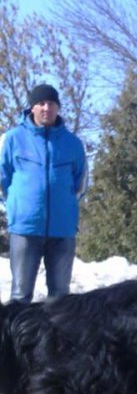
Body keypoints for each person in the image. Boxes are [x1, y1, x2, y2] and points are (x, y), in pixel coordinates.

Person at [0, 83, 88, 303]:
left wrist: (66, 207)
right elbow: (3, 177)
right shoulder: (13, 139)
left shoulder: (73, 144)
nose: (46, 108)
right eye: (41, 103)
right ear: (32, 108)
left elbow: (81, 182)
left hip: (62, 230)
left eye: (51, 103)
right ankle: (15, 339)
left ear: (58, 108)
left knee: (60, 297)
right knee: (20, 295)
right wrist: (15, 206)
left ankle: (56, 339)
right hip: (25, 229)